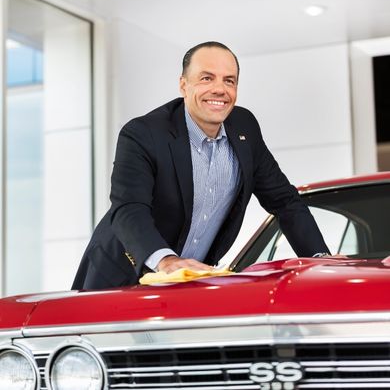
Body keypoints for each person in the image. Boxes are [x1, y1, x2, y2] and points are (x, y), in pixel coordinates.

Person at [72, 41, 330, 290]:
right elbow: (129, 208)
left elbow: (284, 201)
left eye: (229, 80)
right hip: (120, 277)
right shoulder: (143, 134)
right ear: (183, 85)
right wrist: (166, 261)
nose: (219, 89)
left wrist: (320, 259)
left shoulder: (245, 128)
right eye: (206, 78)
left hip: (189, 284)